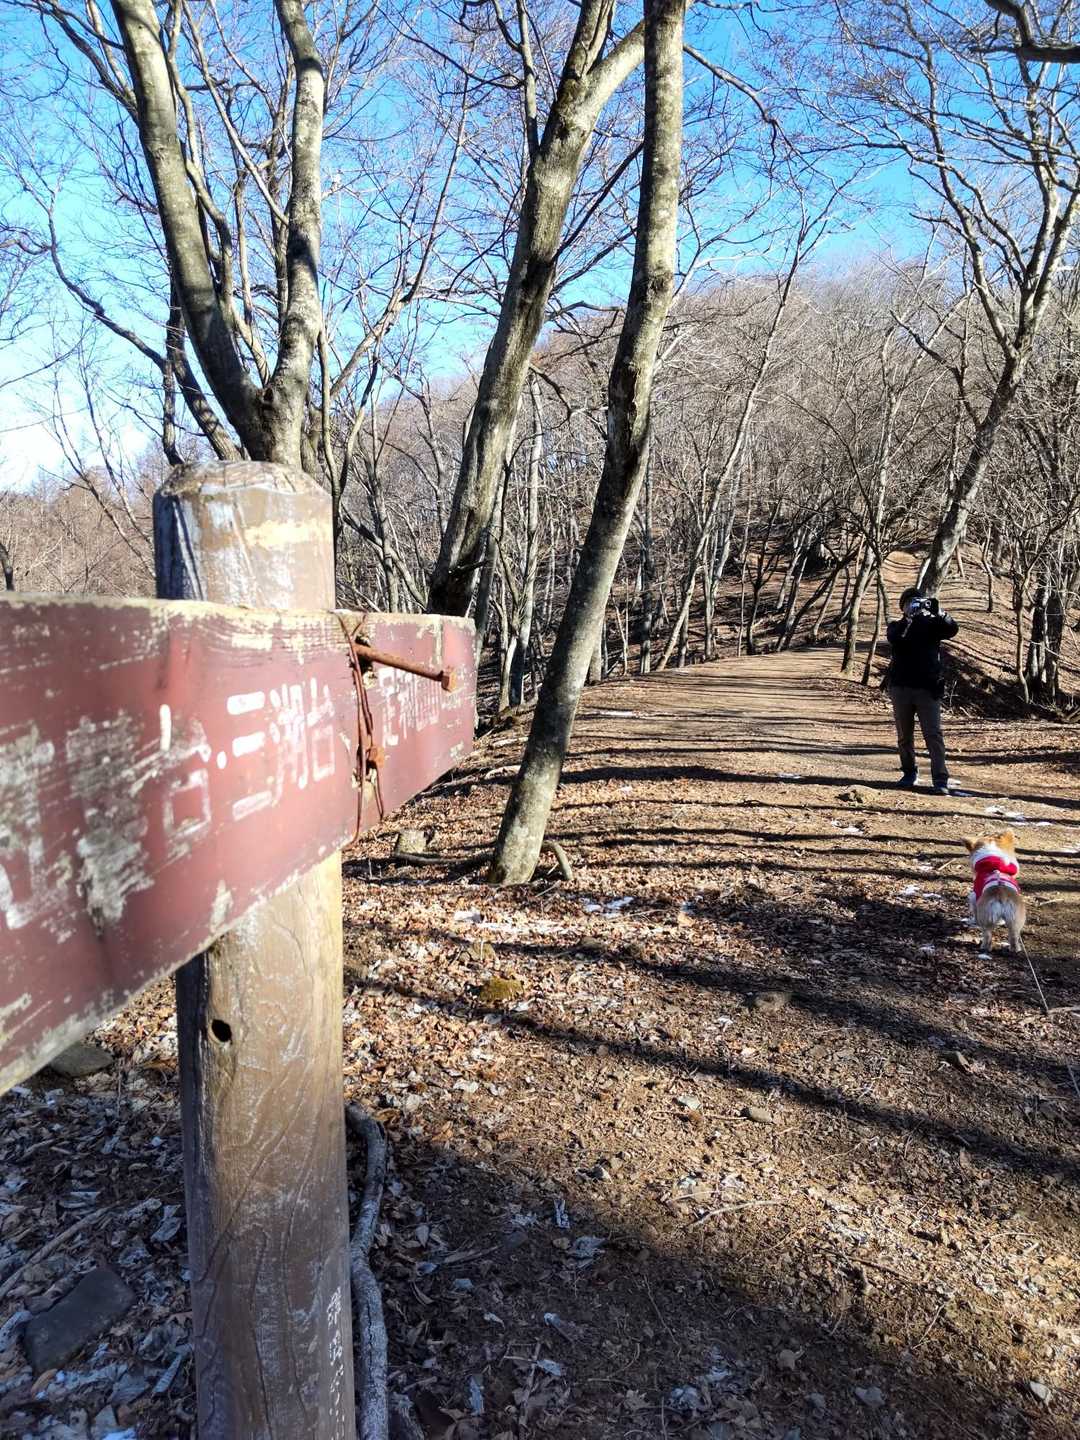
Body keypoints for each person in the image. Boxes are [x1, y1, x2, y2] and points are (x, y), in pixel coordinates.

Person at [885, 587, 959, 794]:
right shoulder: (897, 626)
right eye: (909, 603)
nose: (914, 606)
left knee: (933, 734)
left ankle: (940, 779)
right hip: (901, 687)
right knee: (904, 735)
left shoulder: (932, 625)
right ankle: (909, 772)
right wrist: (909, 621)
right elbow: (895, 639)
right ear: (902, 607)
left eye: (917, 602)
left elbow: (952, 630)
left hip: (928, 688)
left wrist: (940, 612)